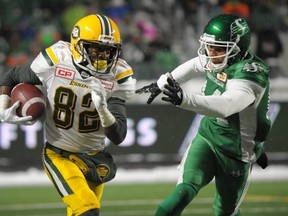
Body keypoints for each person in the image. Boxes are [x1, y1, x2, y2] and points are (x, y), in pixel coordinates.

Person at [0, 14, 136, 216]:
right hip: (59, 154)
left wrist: (104, 111)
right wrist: (3, 106)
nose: (103, 56)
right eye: (96, 48)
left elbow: (118, 136)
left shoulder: (119, 75)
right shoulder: (56, 59)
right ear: (78, 45)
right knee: (88, 210)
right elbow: (11, 75)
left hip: (95, 158)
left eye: (109, 50)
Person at [136, 14, 270, 216]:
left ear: (238, 48)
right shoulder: (216, 57)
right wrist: (163, 81)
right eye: (209, 46)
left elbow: (226, 105)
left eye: (219, 48)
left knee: (224, 211)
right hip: (208, 138)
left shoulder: (250, 73)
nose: (211, 53)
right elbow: (195, 64)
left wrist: (184, 99)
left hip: (238, 151)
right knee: (181, 194)